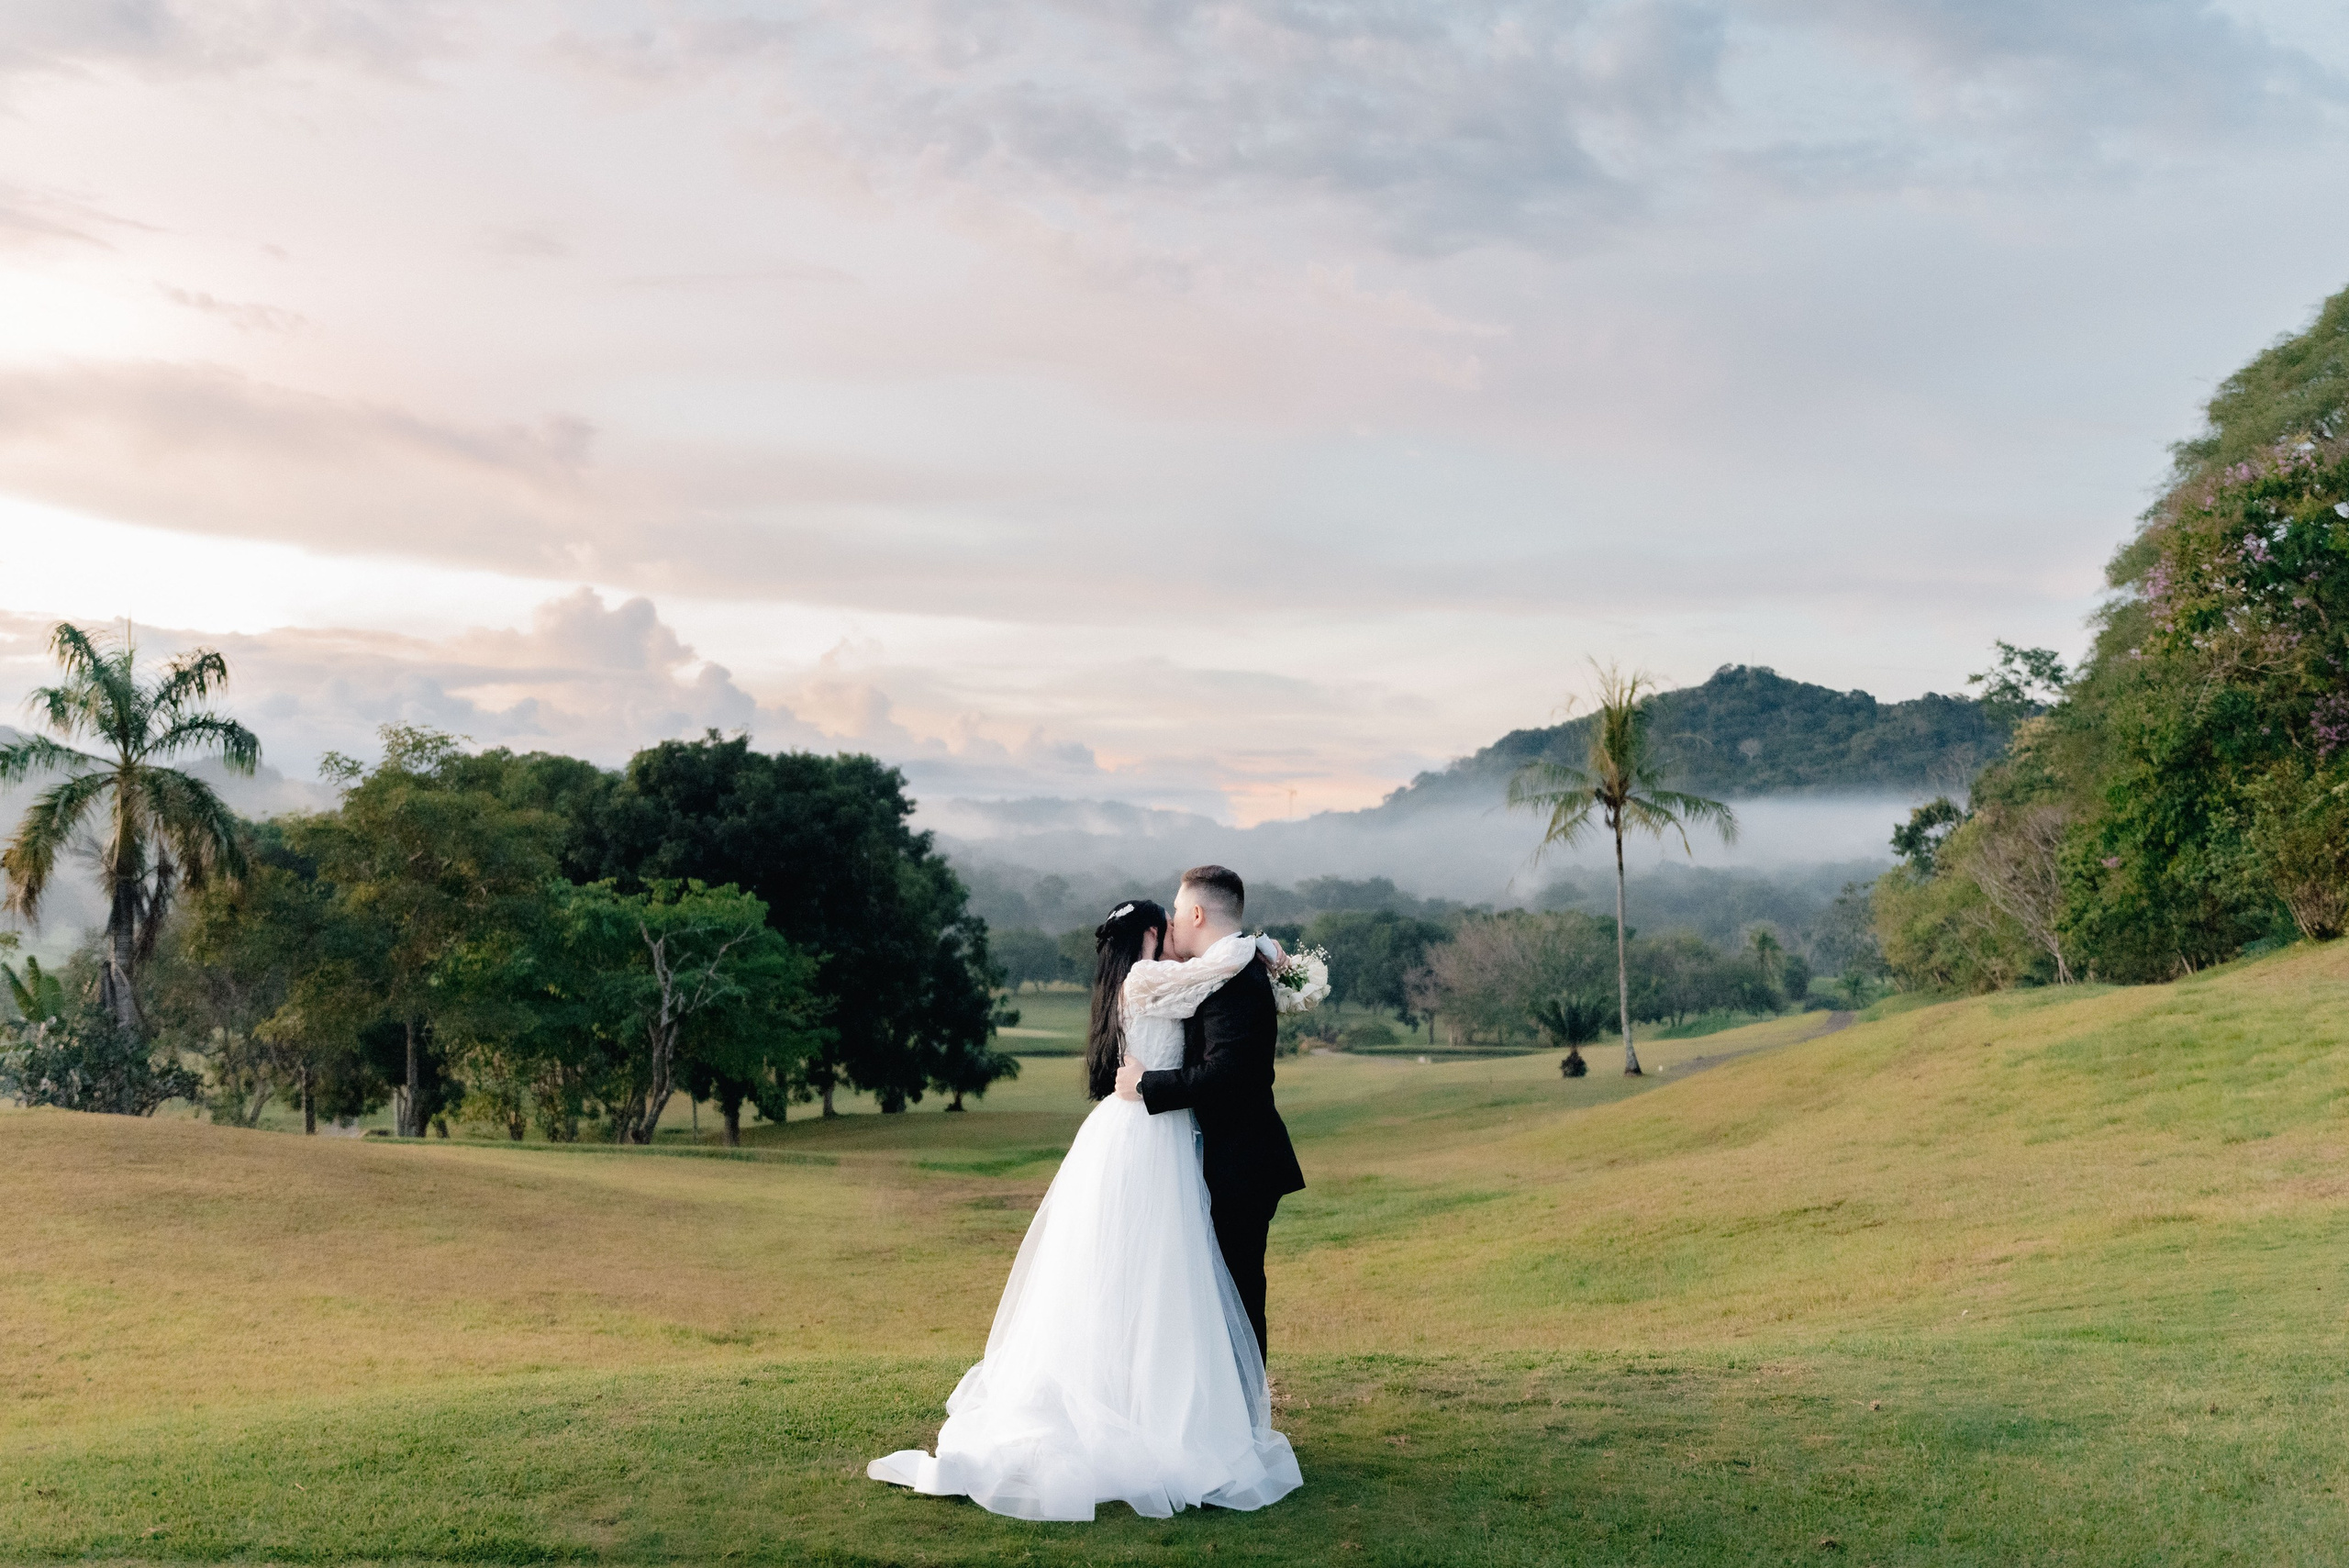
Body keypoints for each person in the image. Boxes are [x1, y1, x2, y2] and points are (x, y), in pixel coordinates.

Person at [866, 895, 1303, 1521]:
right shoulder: (1149, 977)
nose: (1181, 929)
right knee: (1150, 1267)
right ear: (1154, 931)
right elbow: (1209, 975)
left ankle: (1142, 1398)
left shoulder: (1130, 979)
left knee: (1148, 1273)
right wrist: (1255, 945)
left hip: (1147, 1130)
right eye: (1171, 920)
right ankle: (1145, 1409)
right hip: (1147, 1136)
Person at [1114, 864, 1307, 1362]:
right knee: (1217, 1294)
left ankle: (1243, 1421)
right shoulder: (1221, 971)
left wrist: (1145, 1085)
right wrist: (1260, 942)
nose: (1174, 923)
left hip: (1241, 1163)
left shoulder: (1237, 981)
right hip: (1223, 1157)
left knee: (1237, 1294)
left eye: (1178, 912)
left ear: (1196, 912)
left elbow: (1226, 1077)